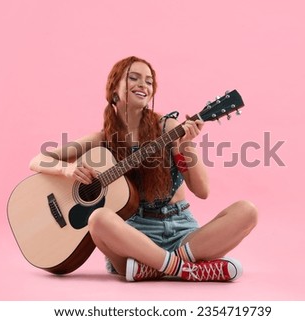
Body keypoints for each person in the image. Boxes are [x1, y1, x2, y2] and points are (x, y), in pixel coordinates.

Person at [29, 56, 258, 281]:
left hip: (182, 231)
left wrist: (185, 144)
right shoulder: (102, 140)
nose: (143, 85)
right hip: (133, 238)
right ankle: (187, 269)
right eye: (134, 78)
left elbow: (202, 190)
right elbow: (38, 159)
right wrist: (67, 171)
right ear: (114, 89)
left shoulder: (168, 127)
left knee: (247, 211)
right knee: (98, 218)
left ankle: (158, 267)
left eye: (149, 81)